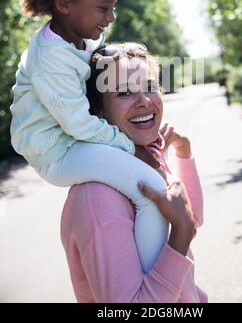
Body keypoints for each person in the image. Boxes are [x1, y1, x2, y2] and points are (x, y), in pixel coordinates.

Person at [9, 0, 168, 273]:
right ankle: (148, 287)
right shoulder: (51, 56)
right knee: (151, 191)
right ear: (65, 3)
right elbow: (80, 124)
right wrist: (132, 147)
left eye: (112, 6)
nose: (111, 16)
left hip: (73, 142)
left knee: (147, 187)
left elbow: (103, 75)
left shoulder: (80, 39)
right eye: (103, 8)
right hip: (58, 152)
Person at [61, 43, 207, 303]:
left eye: (150, 87)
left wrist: (184, 153)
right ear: (99, 112)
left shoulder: (145, 155)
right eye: (124, 93)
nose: (144, 101)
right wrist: (181, 233)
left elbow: (190, 217)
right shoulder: (98, 196)